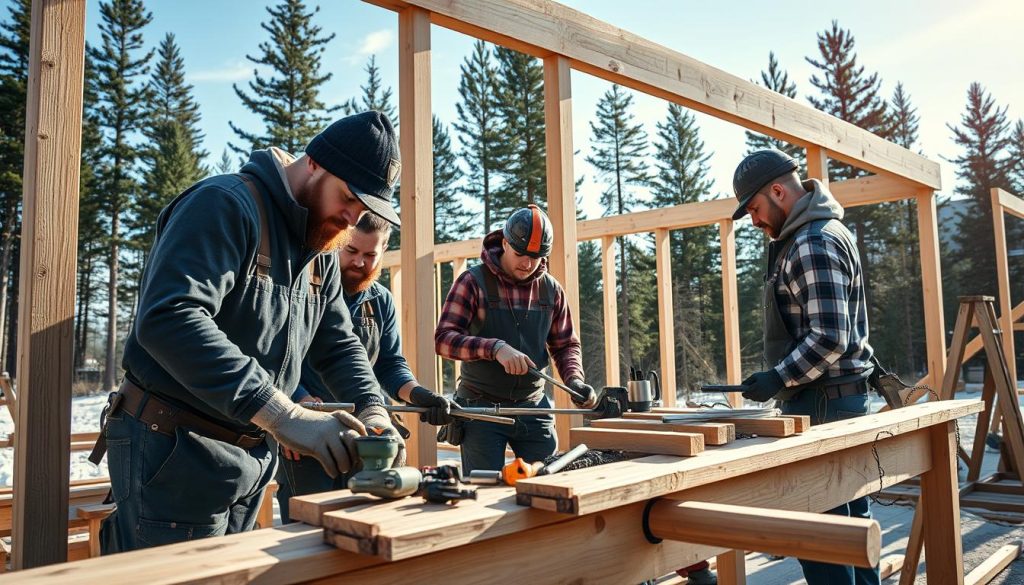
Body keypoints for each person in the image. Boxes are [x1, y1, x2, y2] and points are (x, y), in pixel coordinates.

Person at [95, 111, 406, 553]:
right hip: (173, 453)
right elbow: (169, 317)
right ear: (315, 162)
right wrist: (285, 415)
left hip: (249, 459)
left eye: (365, 210)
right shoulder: (225, 205)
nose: (351, 218)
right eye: (349, 198)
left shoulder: (320, 250)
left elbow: (337, 344)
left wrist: (374, 410)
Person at [733, 149, 878, 585]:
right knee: (852, 533)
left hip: (825, 405)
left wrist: (780, 376)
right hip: (835, 400)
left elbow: (832, 335)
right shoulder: (815, 234)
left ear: (778, 191)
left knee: (822, 541)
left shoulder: (813, 242)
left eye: (756, 209)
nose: (755, 221)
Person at [275, 212, 458, 521]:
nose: (359, 262)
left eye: (370, 255)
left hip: (367, 433)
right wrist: (298, 411)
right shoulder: (305, 290)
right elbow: (279, 355)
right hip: (308, 433)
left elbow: (389, 364)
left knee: (363, 522)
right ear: (337, 245)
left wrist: (418, 395)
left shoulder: (380, 301)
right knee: (306, 530)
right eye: (352, 251)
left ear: (382, 251)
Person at [434, 204, 598, 474]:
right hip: (480, 407)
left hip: (533, 406)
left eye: (537, 256)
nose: (528, 263)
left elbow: (566, 345)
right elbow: (443, 339)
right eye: (521, 253)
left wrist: (574, 381)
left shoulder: (551, 290)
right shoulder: (473, 282)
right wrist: (494, 348)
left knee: (548, 482)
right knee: (483, 487)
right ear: (505, 242)